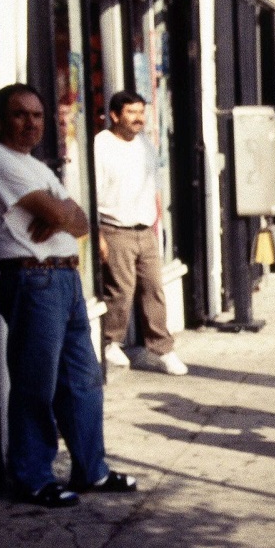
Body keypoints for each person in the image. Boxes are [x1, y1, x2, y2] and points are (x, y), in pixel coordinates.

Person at [0, 83, 137, 507]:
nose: (30, 123)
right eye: (20, 114)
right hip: (33, 281)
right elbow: (59, 212)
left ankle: (91, 470)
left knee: (83, 380)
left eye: (37, 115)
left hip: (65, 278)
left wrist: (61, 215)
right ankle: (32, 477)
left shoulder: (37, 167)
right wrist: (58, 212)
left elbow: (81, 222)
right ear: (1, 118)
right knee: (36, 384)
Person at [94, 90, 188, 376]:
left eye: (141, 112)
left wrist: (157, 220)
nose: (138, 118)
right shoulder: (101, 145)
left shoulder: (145, 143)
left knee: (154, 289)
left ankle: (162, 349)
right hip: (115, 228)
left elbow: (154, 183)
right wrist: (98, 235)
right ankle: (111, 342)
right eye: (131, 112)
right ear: (115, 116)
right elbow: (91, 193)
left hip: (145, 228)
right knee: (120, 291)